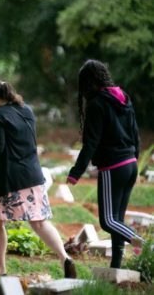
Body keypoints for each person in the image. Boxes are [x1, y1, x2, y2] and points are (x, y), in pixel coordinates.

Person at [0, 80, 76, 278]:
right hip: (33, 176)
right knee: (39, 222)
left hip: (8, 180)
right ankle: (65, 258)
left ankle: (0, 269)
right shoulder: (26, 110)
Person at [66, 59, 144, 268]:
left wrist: (76, 172)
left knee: (108, 221)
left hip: (114, 167)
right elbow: (135, 133)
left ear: (88, 82)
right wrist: (134, 158)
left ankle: (145, 245)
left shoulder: (97, 104)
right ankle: (115, 268)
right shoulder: (123, 98)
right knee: (117, 220)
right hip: (130, 164)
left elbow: (91, 142)